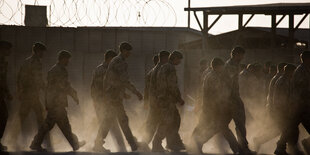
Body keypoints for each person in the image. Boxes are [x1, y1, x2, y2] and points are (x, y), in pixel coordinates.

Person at [30, 50, 85, 152]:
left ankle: (74, 144)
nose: (68, 61)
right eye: (67, 59)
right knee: (55, 125)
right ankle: (35, 144)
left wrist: (48, 103)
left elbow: (51, 88)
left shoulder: (56, 69)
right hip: (56, 103)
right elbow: (64, 86)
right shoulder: (59, 70)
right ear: (63, 59)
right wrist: (74, 95)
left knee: (60, 126)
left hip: (54, 102)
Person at [190, 58, 240, 154]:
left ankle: (196, 144)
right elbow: (216, 94)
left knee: (217, 128)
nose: (223, 68)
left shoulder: (213, 75)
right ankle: (197, 144)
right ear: (217, 66)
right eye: (222, 66)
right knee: (219, 128)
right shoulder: (213, 77)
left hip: (211, 107)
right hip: (213, 108)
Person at [99, 42, 143, 152]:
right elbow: (124, 81)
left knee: (109, 121)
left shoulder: (116, 61)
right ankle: (133, 144)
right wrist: (136, 92)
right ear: (123, 50)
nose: (129, 54)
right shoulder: (119, 62)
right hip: (113, 98)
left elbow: (113, 80)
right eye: (128, 51)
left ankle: (98, 143)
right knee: (121, 120)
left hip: (113, 97)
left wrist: (121, 93)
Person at [16, 42, 51, 147]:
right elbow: (38, 79)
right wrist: (46, 89)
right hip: (32, 95)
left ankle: (18, 140)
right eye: (41, 52)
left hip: (27, 94)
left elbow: (19, 77)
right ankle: (40, 142)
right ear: (37, 51)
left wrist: (20, 91)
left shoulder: (26, 61)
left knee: (22, 118)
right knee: (40, 118)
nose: (43, 54)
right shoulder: (36, 62)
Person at [275, 51, 310, 155]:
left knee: (290, 127)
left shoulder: (306, 70)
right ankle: (281, 147)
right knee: (289, 127)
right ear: (306, 59)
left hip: (303, 105)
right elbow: (300, 88)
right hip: (299, 105)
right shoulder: (300, 71)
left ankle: (280, 147)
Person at [91, 50, 126, 152]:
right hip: (103, 102)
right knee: (107, 124)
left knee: (111, 124)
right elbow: (99, 88)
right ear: (110, 59)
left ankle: (121, 146)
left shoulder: (104, 69)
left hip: (106, 102)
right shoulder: (103, 70)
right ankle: (99, 145)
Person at [152, 51, 185, 152]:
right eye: (179, 59)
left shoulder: (163, 67)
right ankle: (157, 143)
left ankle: (173, 142)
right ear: (174, 58)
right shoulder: (170, 68)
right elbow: (172, 86)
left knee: (175, 120)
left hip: (163, 99)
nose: (179, 62)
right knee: (166, 122)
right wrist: (179, 98)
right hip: (167, 100)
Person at [225, 47, 255, 154]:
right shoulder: (230, 66)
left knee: (225, 124)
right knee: (237, 124)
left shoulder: (234, 65)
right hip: (231, 99)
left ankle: (241, 148)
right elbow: (228, 84)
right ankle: (242, 149)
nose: (242, 57)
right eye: (241, 55)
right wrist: (231, 99)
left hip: (233, 98)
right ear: (235, 54)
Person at [253, 63, 287, 151]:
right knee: (280, 129)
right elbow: (278, 96)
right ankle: (259, 141)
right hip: (277, 108)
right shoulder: (280, 79)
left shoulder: (277, 78)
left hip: (275, 108)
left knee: (281, 129)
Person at [142, 51, 170, 146]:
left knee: (152, 123)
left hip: (153, 101)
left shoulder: (152, 72)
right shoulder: (160, 70)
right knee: (163, 122)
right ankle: (155, 143)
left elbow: (146, 89)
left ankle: (145, 143)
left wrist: (146, 101)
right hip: (158, 101)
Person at [0, 41, 12, 151]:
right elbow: (2, 80)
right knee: (3, 116)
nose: (9, 51)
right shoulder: (1, 61)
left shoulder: (4, 61)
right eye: (7, 49)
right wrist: (7, 92)